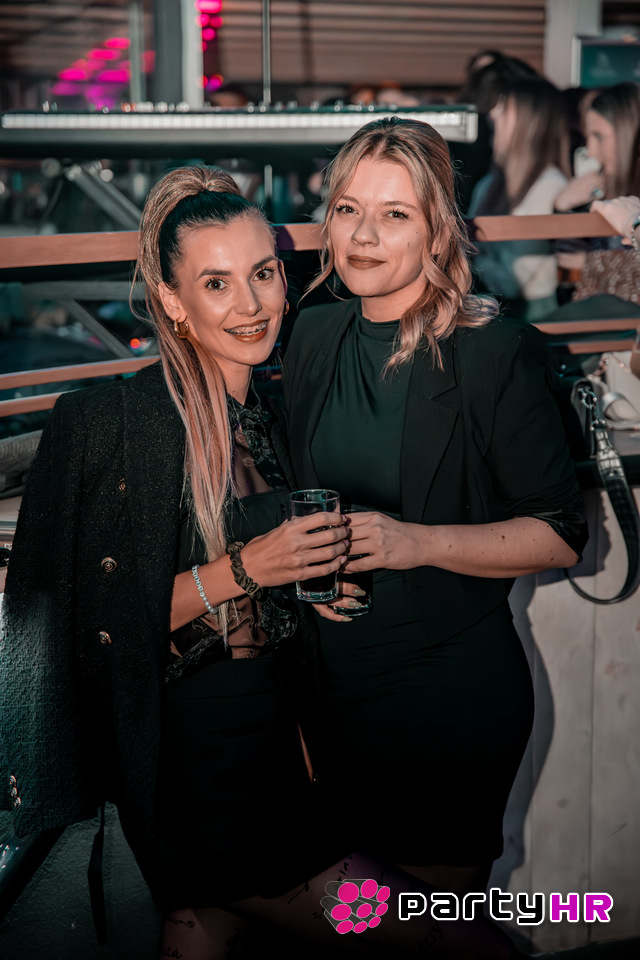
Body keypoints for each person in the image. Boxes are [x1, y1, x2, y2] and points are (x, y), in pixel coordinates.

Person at [0, 165, 526, 960]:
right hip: (203, 792)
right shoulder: (114, 425)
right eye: (216, 284)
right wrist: (249, 569)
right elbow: (88, 630)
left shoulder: (272, 419)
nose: (250, 305)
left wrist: (308, 592)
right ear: (174, 301)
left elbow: (264, 593)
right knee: (452, 942)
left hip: (281, 768)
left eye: (264, 274)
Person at [282, 117, 588, 899]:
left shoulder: (492, 352)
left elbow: (558, 535)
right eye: (348, 209)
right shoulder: (312, 334)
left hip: (445, 692)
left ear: (438, 231)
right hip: (331, 690)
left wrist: (411, 543)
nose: (363, 236)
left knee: (439, 929)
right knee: (353, 924)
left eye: (395, 214)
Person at [467, 78, 571, 320]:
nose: (492, 114)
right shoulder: (489, 184)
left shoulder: (550, 185)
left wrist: (474, 258)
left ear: (531, 121)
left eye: (504, 107)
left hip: (534, 318)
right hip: (491, 309)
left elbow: (513, 281)